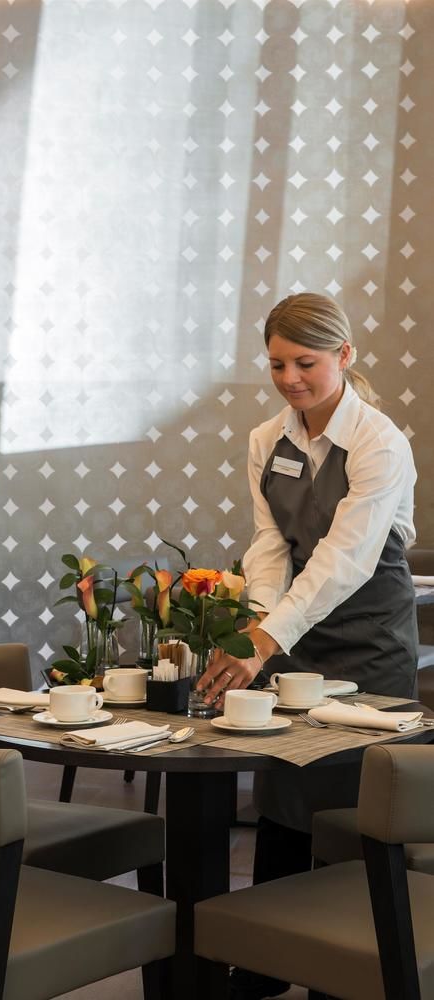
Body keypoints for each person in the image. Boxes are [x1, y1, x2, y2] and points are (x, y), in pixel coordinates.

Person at [197, 292, 418, 1000]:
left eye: (305, 363)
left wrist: (265, 637)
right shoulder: (267, 439)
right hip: (295, 632)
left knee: (354, 795)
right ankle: (266, 959)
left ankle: (348, 965)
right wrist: (258, 626)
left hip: (370, 637)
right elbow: (270, 544)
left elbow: (346, 559)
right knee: (285, 783)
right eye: (277, 364)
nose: (289, 378)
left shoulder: (378, 441)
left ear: (343, 356)